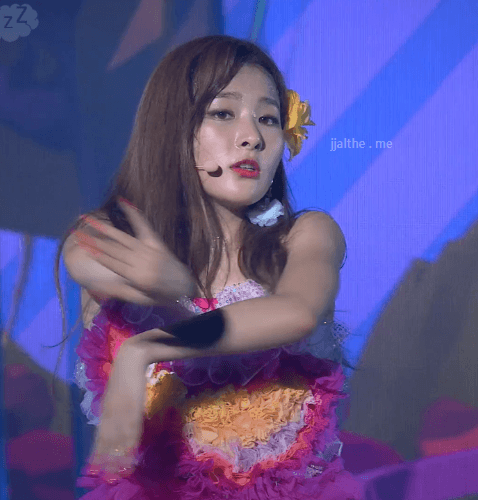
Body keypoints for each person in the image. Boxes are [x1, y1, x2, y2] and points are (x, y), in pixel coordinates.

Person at [59, 35, 364, 499]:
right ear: (172, 127)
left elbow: (298, 311)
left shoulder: (307, 235)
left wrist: (145, 347)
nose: (252, 136)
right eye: (223, 113)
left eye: (268, 118)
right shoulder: (108, 235)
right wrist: (169, 289)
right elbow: (83, 258)